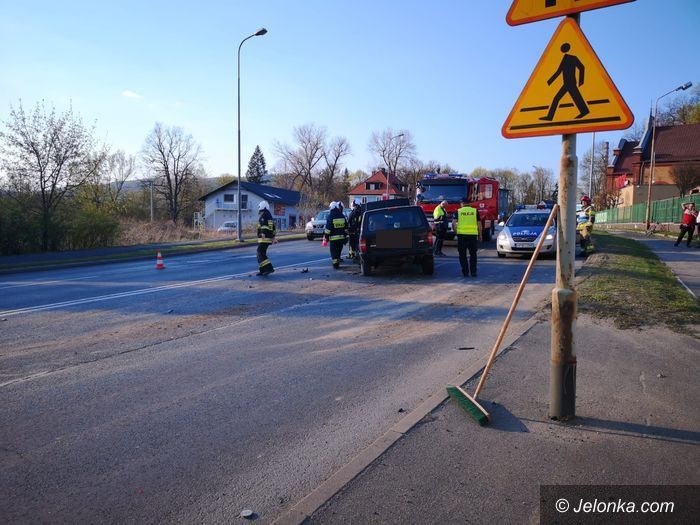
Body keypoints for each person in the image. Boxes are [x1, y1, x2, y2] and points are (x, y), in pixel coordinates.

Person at [452, 197, 481, 277]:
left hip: (462, 236)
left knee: (462, 255)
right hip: (473, 236)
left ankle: (465, 272)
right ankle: (473, 272)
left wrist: (456, 232)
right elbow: (479, 224)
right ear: (469, 203)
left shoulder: (458, 211)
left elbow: (454, 223)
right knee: (473, 254)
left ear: (462, 203)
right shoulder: (475, 211)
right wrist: (480, 235)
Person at [323, 201, 348, 269]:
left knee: (334, 252)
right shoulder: (342, 215)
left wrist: (326, 237)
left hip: (333, 239)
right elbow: (346, 227)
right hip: (341, 239)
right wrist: (345, 236)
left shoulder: (330, 216)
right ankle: (338, 262)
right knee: (339, 251)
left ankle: (335, 265)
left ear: (331, 208)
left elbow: (328, 229)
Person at [256, 200, 277, 276]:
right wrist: (273, 237)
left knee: (260, 253)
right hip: (267, 238)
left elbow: (264, 226)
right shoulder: (269, 215)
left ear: (262, 207)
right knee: (261, 253)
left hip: (264, 238)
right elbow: (273, 228)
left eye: (259, 207)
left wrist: (262, 233)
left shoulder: (264, 215)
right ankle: (262, 270)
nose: (259, 208)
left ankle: (269, 268)